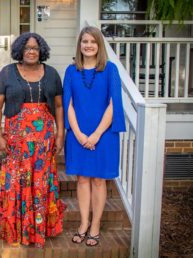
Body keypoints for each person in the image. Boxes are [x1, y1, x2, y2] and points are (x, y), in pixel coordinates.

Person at [0, 32, 66, 248]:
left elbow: (59, 106)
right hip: (16, 140)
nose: (31, 51)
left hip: (43, 141)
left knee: (41, 181)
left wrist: (60, 134)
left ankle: (39, 229)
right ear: (19, 51)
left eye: (35, 48)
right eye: (27, 48)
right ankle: (16, 228)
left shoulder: (52, 74)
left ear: (41, 50)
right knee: (17, 182)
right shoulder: (7, 73)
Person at [63, 26, 126, 247]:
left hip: (104, 135)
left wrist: (96, 134)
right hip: (78, 133)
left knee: (99, 180)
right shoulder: (71, 71)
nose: (88, 45)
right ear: (79, 45)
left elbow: (113, 104)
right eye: (84, 41)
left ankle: (96, 226)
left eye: (93, 41)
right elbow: (67, 104)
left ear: (99, 45)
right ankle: (83, 223)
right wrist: (79, 134)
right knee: (81, 179)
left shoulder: (110, 70)